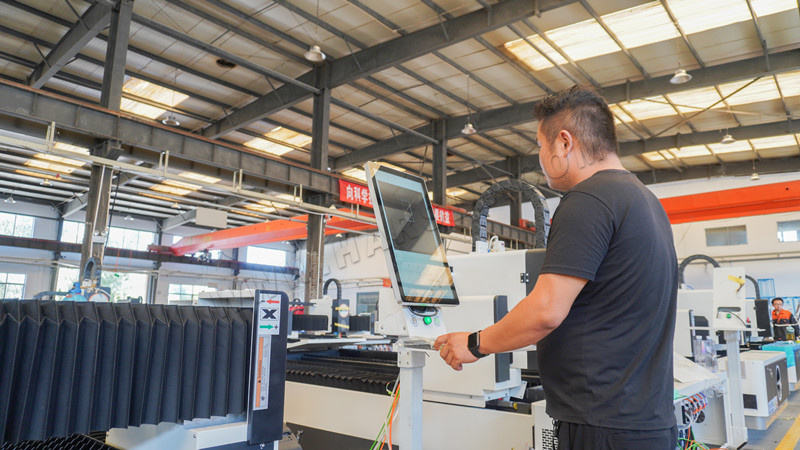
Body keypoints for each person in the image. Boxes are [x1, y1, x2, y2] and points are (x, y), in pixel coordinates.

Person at [434, 85, 679, 449]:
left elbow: (546, 310)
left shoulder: (587, 200)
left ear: (564, 142)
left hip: (601, 426)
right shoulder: (645, 201)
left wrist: (475, 343)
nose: (540, 156)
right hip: (646, 423)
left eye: (540, 145)